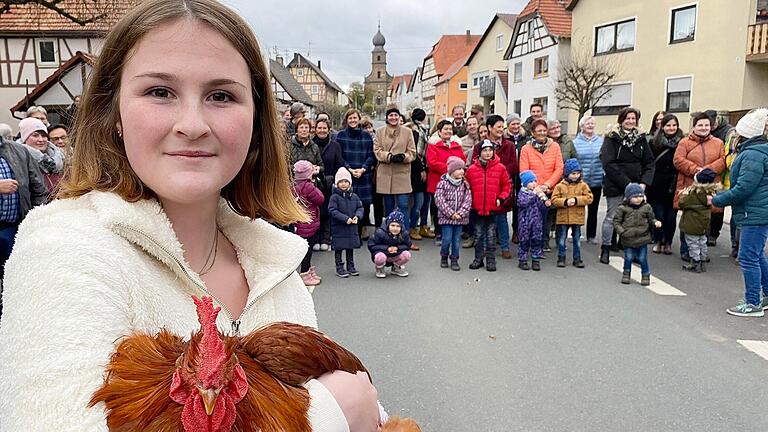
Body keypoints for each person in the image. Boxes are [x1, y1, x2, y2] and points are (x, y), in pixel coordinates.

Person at [0, 1, 381, 429]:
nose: (193, 124)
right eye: (159, 92)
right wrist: (333, 414)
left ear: (255, 121)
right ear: (114, 113)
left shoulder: (272, 260)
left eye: (221, 95)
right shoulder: (62, 250)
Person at [712, 108, 768, 317]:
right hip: (757, 212)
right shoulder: (759, 150)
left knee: (748, 257)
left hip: (754, 213)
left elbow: (744, 188)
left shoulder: (752, 154)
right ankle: (766, 295)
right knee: (756, 254)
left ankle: (753, 303)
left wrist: (717, 199)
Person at [599, 107, 655, 264]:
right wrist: (627, 184)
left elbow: (649, 162)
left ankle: (634, 249)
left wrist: (644, 182)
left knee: (636, 219)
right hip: (616, 184)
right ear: (621, 120)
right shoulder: (612, 138)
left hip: (637, 185)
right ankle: (606, 247)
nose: (631, 121)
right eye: (628, 118)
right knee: (612, 217)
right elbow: (608, 163)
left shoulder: (641, 139)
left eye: (633, 119)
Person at [673, 112, 725, 261]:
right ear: (694, 127)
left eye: (706, 125)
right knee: (689, 219)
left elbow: (723, 160)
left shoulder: (718, 143)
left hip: (711, 186)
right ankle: (686, 250)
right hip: (690, 186)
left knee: (706, 218)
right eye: (700, 125)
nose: (703, 128)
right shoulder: (684, 142)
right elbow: (678, 160)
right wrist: (696, 170)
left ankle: (701, 251)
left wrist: (708, 170)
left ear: (711, 126)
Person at [0, 131, 48, 280]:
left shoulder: (19, 151)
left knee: (15, 278)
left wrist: (34, 222)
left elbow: (39, 190)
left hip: (14, 229)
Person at [471, 115, 517, 259]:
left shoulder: (509, 145)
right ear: (490, 128)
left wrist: (498, 172)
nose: (501, 130)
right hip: (483, 191)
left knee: (502, 220)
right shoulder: (480, 146)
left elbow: (514, 165)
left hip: (499, 187)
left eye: (502, 127)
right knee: (483, 223)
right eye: (498, 126)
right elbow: (474, 163)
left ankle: (504, 247)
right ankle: (484, 248)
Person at [465, 140, 511, 272]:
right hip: (477, 208)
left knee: (491, 236)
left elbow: (507, 185)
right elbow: (466, 186)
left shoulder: (500, 168)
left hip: (493, 208)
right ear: (479, 153)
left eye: (490, 150)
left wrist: (501, 198)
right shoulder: (472, 169)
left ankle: (491, 260)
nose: (488, 153)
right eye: (485, 150)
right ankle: (478, 259)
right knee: (478, 235)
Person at [519, 118, 563, 253]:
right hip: (534, 189)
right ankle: (531, 244)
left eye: (544, 130)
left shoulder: (554, 146)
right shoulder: (526, 149)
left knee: (548, 218)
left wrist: (548, 184)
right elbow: (524, 170)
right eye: (539, 131)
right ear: (532, 132)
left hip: (550, 187)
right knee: (534, 218)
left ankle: (544, 243)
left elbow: (559, 168)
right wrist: (536, 187)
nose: (542, 133)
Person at [647, 114, 683, 255]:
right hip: (656, 184)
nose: (671, 128)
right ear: (663, 126)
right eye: (668, 125)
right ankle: (658, 240)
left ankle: (668, 241)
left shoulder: (682, 142)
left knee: (671, 217)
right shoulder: (654, 143)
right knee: (658, 215)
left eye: (674, 125)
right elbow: (649, 163)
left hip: (674, 184)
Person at [337, 109, 376, 239]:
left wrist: (363, 169)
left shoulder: (366, 136)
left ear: (359, 119)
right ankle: (351, 230)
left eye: (355, 118)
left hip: (363, 174)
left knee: (364, 204)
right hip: (348, 175)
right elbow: (339, 156)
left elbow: (371, 156)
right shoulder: (341, 135)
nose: (353, 120)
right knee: (348, 203)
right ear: (346, 120)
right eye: (350, 118)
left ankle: (363, 226)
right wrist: (349, 169)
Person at [426, 119, 466, 245]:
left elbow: (463, 161)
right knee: (437, 208)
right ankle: (439, 233)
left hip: (456, 184)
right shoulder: (433, 145)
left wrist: (456, 171)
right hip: (437, 182)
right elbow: (432, 163)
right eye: (445, 129)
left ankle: (452, 235)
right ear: (439, 131)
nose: (448, 131)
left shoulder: (457, 146)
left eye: (450, 129)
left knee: (454, 207)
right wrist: (450, 169)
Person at [374, 106, 416, 223]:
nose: (393, 118)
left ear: (399, 117)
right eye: (391, 115)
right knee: (389, 208)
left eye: (395, 115)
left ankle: (405, 235)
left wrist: (404, 157)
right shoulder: (380, 132)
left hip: (402, 174)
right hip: (386, 174)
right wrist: (389, 157)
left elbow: (412, 152)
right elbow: (377, 150)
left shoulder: (407, 132)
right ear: (387, 118)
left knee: (403, 205)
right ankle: (389, 234)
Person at [614, 183, 662, 286]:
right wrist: (622, 232)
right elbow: (616, 222)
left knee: (642, 258)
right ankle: (626, 274)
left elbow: (651, 218)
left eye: (640, 196)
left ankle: (645, 275)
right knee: (629, 257)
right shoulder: (622, 208)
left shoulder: (646, 207)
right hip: (628, 238)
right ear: (628, 197)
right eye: (635, 197)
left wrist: (655, 222)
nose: (638, 199)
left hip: (642, 237)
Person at [552, 159, 593, 268]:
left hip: (577, 217)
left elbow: (589, 198)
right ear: (567, 173)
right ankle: (561, 258)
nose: (575, 176)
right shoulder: (560, 186)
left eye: (577, 173)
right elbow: (554, 200)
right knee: (562, 238)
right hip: (563, 217)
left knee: (576, 239)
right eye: (573, 173)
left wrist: (577, 200)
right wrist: (565, 202)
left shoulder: (583, 185)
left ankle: (577, 258)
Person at [313, 117, 346, 252]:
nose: (322, 130)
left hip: (329, 182)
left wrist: (335, 180)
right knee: (315, 211)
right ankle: (315, 239)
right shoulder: (311, 144)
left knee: (328, 210)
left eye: (324, 128)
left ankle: (326, 239)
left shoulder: (335, 145)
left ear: (329, 130)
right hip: (313, 183)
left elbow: (340, 164)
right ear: (315, 129)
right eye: (319, 128)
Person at [678, 168, 720, 273]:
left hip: (692, 223)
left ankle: (695, 262)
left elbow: (682, 203)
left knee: (693, 243)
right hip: (704, 222)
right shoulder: (710, 192)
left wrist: (684, 194)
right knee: (702, 242)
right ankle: (702, 261)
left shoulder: (694, 194)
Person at [434, 156, 472, 271]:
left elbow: (468, 200)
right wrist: (451, 214)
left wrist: (460, 213)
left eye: (463, 169)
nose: (462, 171)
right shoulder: (442, 184)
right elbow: (439, 200)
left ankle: (454, 259)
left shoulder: (465, 185)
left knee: (456, 241)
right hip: (447, 218)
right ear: (451, 170)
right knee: (446, 239)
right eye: (458, 169)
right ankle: (444, 256)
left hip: (460, 218)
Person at [573, 116, 604, 244]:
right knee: (577, 208)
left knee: (593, 210)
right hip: (581, 181)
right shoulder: (576, 142)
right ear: (582, 126)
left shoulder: (601, 141)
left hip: (597, 180)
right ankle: (575, 233)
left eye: (592, 123)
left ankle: (591, 236)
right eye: (587, 123)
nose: (590, 125)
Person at [293, 160, 325, 286]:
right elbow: (320, 198)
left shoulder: (293, 185)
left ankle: (307, 271)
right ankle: (305, 274)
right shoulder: (308, 186)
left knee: (304, 249)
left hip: (298, 221)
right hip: (308, 222)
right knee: (307, 250)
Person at [329, 167, 364, 279]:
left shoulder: (354, 196)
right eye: (341, 182)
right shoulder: (334, 197)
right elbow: (332, 210)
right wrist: (345, 218)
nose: (343, 184)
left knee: (350, 247)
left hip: (351, 227)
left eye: (346, 181)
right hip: (339, 227)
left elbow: (360, 207)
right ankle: (339, 266)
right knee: (339, 247)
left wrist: (357, 216)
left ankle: (351, 265)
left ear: (349, 183)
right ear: (337, 183)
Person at [18, 117, 65, 201]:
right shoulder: (19, 160)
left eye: (44, 136)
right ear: (25, 138)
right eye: (35, 135)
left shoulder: (59, 156)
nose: (41, 140)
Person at [404, 108, 432, 246]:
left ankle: (419, 226)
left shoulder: (422, 130)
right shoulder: (414, 131)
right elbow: (414, 153)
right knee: (417, 202)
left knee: (421, 201)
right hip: (414, 171)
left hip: (422, 169)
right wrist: (421, 168)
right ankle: (412, 227)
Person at [517, 170, 550, 271]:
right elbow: (523, 203)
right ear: (525, 183)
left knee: (536, 241)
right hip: (524, 223)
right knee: (524, 242)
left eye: (535, 181)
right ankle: (522, 260)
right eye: (531, 182)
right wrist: (533, 194)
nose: (534, 184)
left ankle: (536, 260)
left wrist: (545, 202)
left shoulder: (537, 194)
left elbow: (541, 207)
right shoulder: (522, 193)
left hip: (536, 223)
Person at [367, 209, 412, 278]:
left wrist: (398, 248)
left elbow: (408, 245)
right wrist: (387, 248)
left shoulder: (404, 233)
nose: (395, 228)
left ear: (401, 226)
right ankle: (380, 268)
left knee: (407, 255)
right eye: (393, 225)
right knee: (380, 257)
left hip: (396, 254)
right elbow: (371, 245)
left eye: (398, 226)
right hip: (383, 254)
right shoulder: (380, 232)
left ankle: (396, 267)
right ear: (388, 225)